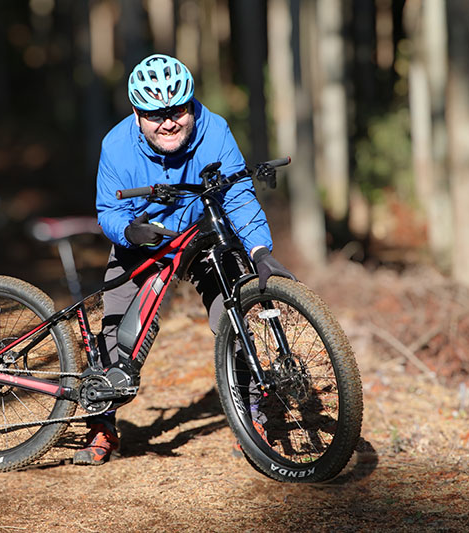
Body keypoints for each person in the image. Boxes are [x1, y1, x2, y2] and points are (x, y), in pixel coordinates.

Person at [73, 54, 293, 465]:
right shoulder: (116, 146)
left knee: (232, 323)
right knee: (115, 332)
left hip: (202, 237)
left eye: (177, 110)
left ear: (191, 105)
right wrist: (129, 232)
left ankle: (251, 416)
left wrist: (260, 250)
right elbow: (108, 212)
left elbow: (239, 195)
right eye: (155, 114)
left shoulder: (215, 131)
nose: (168, 122)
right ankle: (102, 425)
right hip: (143, 242)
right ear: (137, 115)